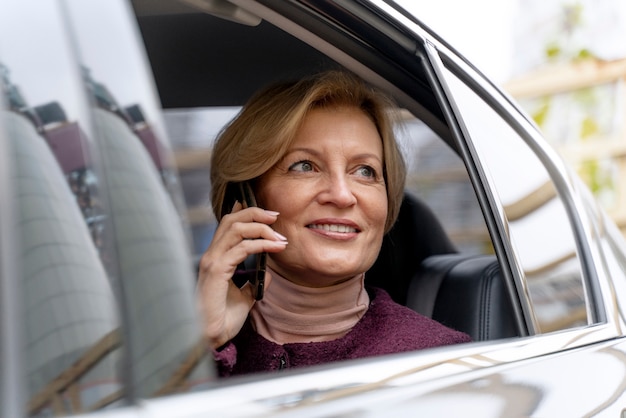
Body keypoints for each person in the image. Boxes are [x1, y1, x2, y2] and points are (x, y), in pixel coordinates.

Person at [197, 70, 470, 377]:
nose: (342, 196)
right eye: (305, 166)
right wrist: (202, 347)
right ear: (244, 198)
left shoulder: (442, 362)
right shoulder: (176, 341)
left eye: (365, 171)